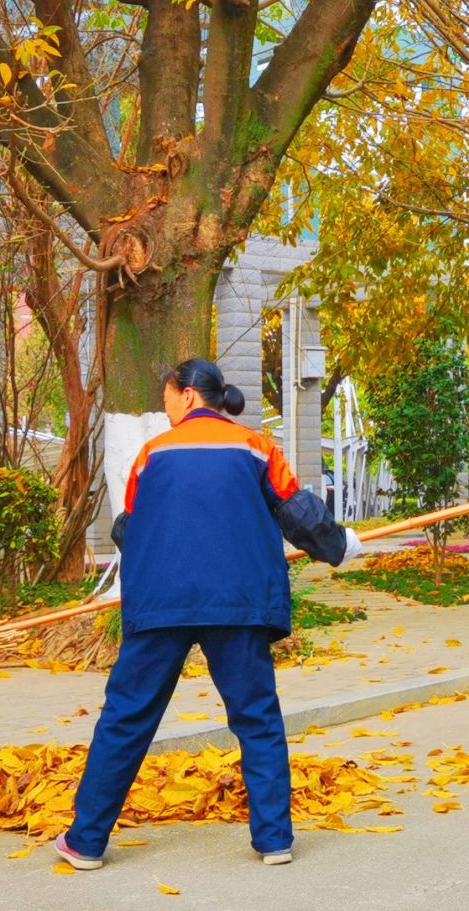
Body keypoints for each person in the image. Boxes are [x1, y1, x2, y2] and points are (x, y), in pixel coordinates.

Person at [56, 358, 361, 870]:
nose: (165, 405)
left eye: (167, 395)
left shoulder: (151, 456)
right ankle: (273, 841)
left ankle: (85, 842)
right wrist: (339, 547)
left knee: (126, 718)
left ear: (190, 395)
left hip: (162, 606)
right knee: (257, 718)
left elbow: (129, 529)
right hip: (237, 605)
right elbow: (297, 510)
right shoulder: (256, 448)